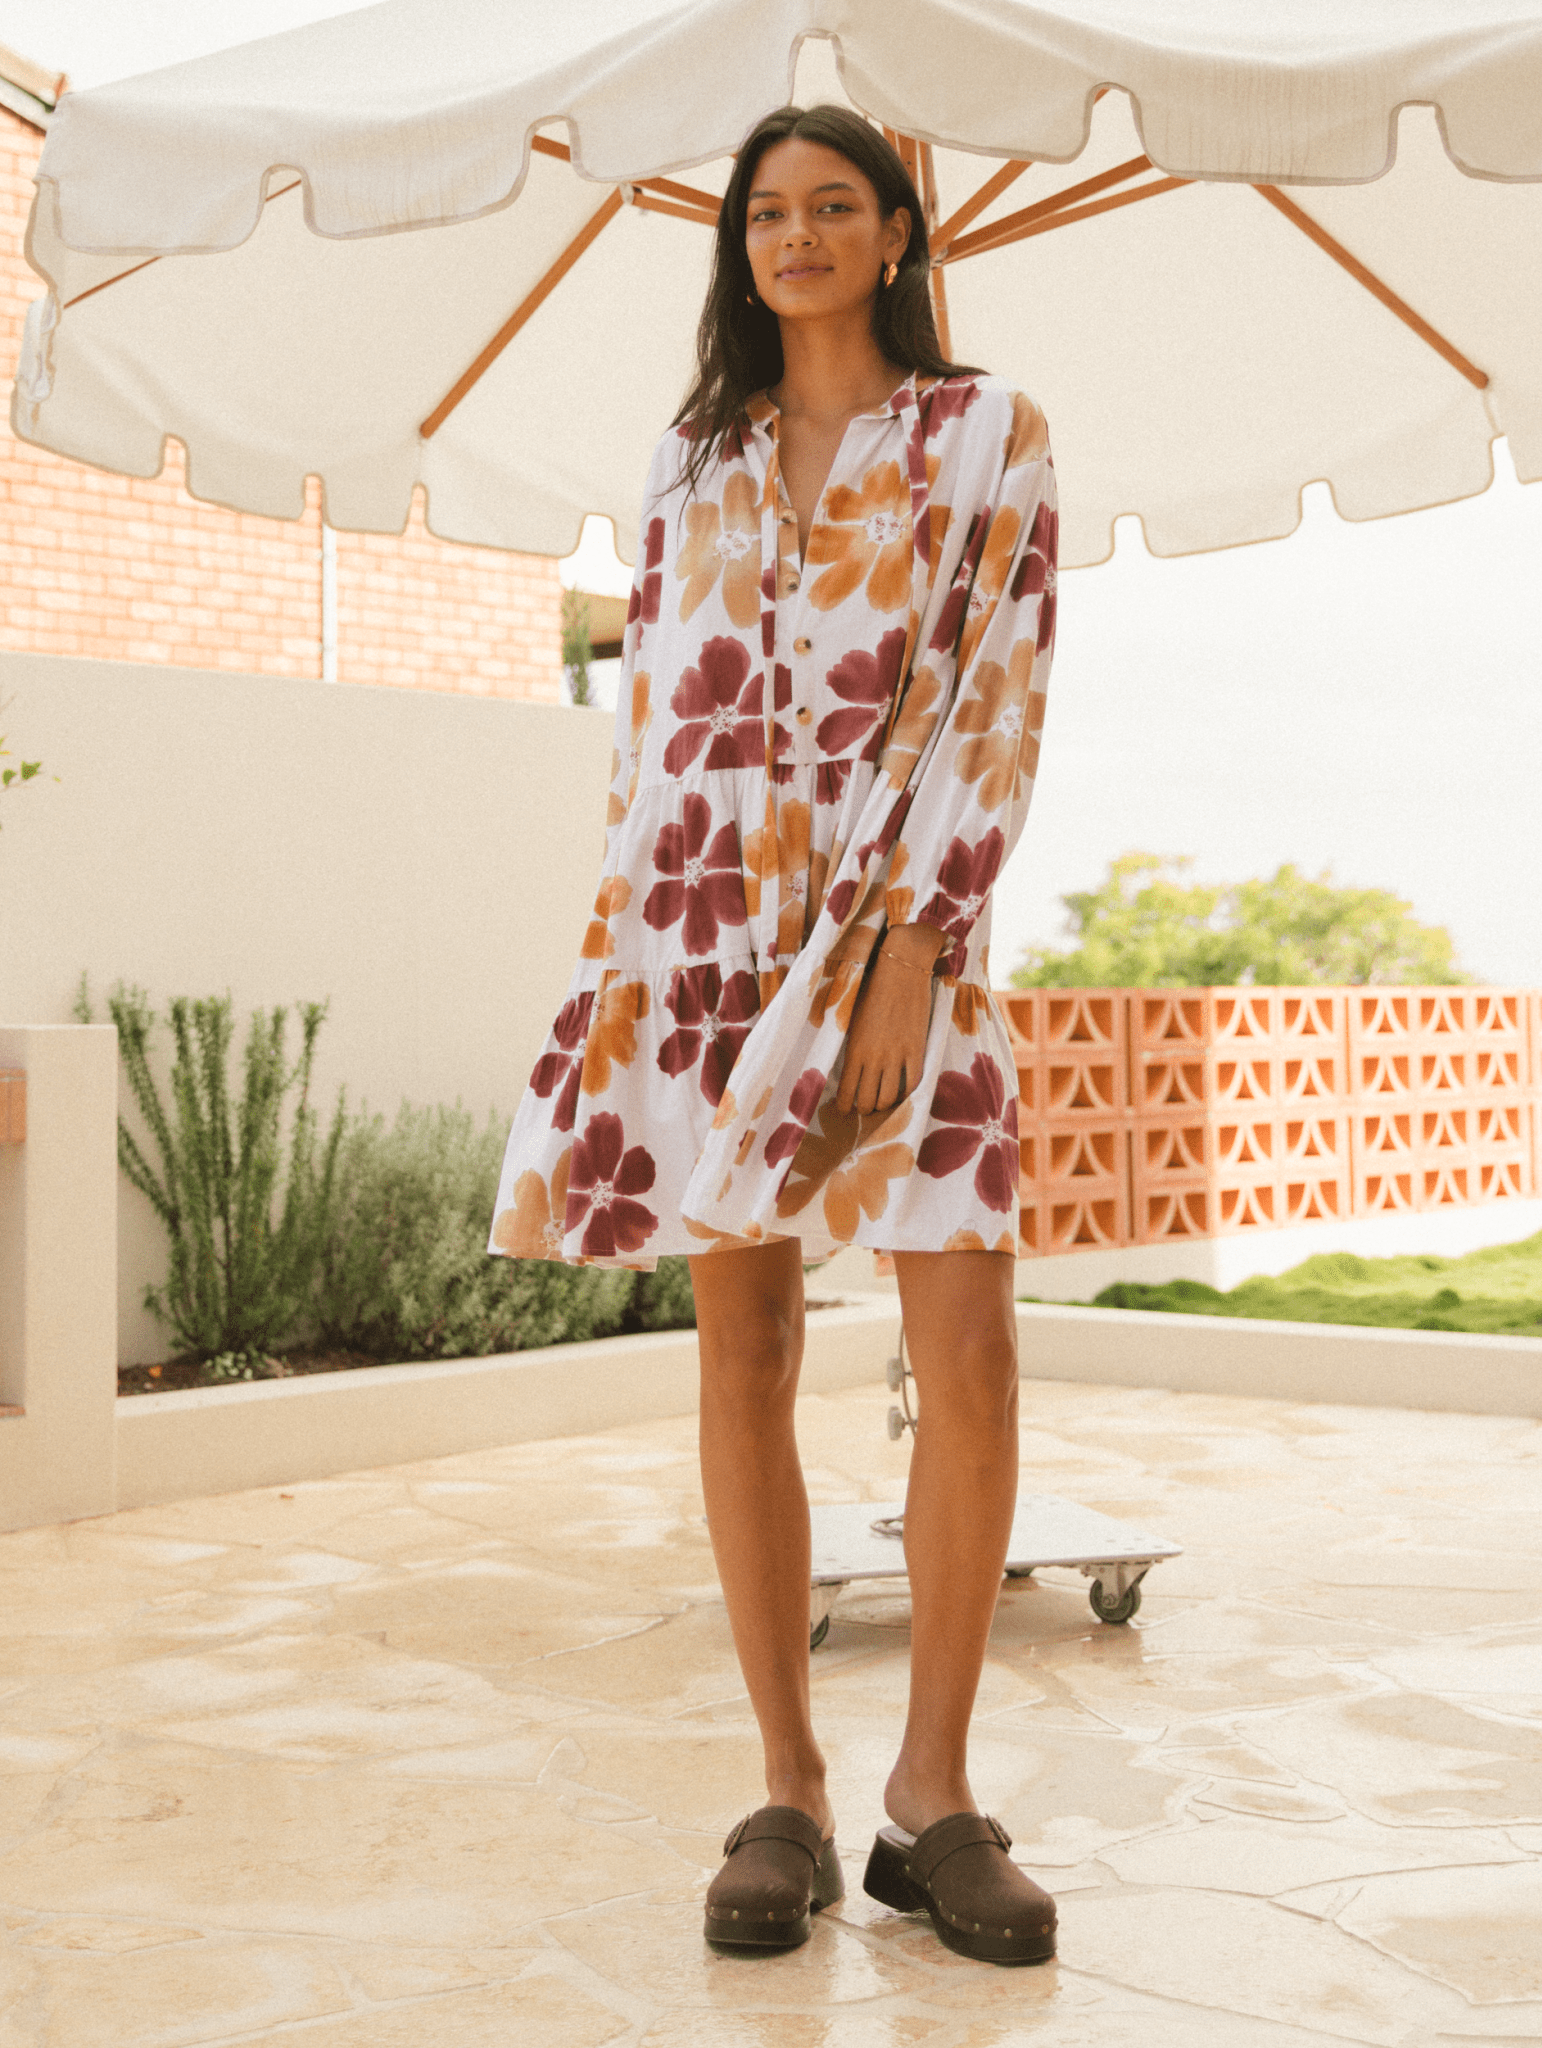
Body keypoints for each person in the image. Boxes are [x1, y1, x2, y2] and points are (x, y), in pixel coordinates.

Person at [490, 102, 1059, 1967]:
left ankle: (932, 1795)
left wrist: (912, 940)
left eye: (831, 206)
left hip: (899, 935)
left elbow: (995, 694)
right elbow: (658, 724)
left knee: (967, 1352)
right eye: (763, 213)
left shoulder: (986, 432)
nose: (793, 235)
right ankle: (788, 1792)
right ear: (739, 247)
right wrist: (627, 970)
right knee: (741, 1343)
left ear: (898, 233)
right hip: (701, 932)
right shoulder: (692, 453)